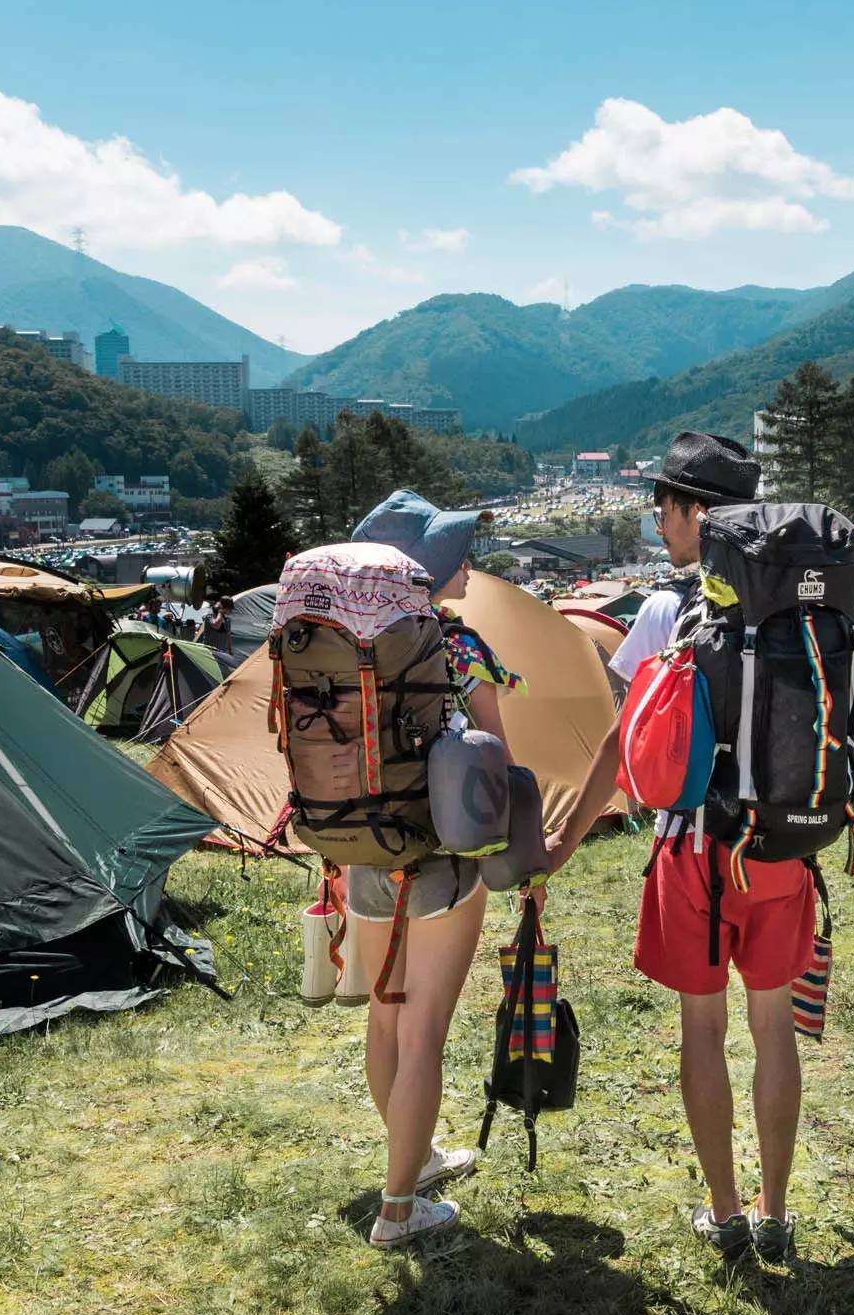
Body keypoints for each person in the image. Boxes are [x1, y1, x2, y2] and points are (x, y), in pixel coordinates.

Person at [549, 432, 810, 1263]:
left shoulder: (668, 608)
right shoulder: (805, 602)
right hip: (778, 845)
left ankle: (726, 1213)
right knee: (773, 1027)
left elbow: (619, 744)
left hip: (691, 848)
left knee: (703, 1027)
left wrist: (562, 840)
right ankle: (776, 1213)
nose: (658, 523)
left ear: (697, 514)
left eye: (663, 507)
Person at [346, 492, 521, 1248]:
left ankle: (411, 1163)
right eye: (456, 557)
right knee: (424, 1036)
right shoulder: (457, 645)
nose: (467, 567)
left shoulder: (347, 643)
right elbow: (497, 758)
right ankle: (397, 1209)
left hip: (361, 853)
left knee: (385, 1021)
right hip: (442, 861)